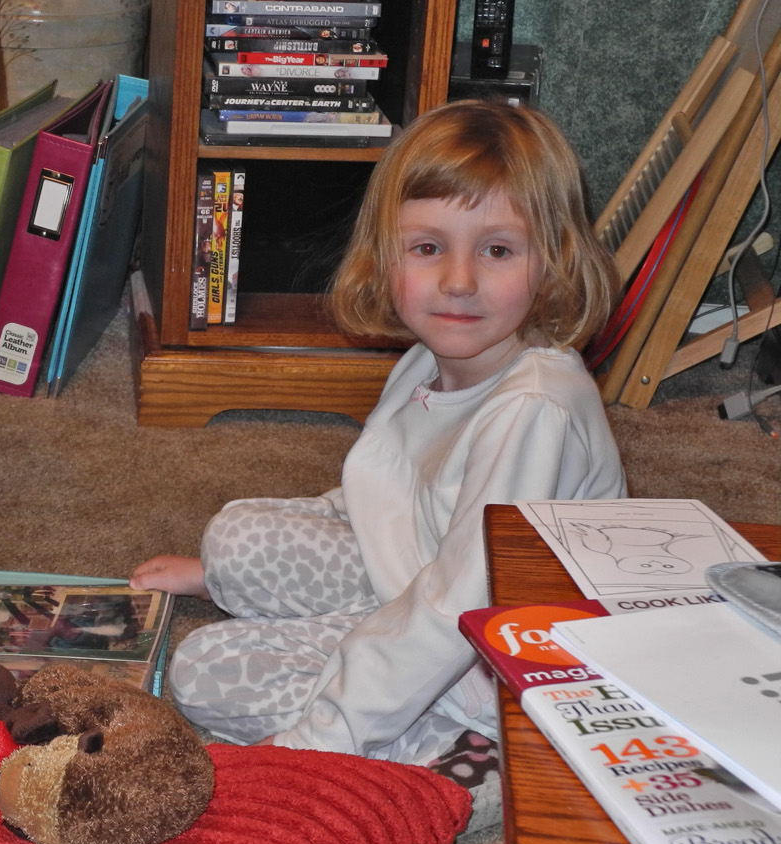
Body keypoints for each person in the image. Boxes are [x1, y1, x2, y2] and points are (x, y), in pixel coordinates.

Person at [130, 100, 626, 786]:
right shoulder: (431, 358)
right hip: (419, 575)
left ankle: (465, 756)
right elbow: (390, 486)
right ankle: (382, 683)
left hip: (491, 662)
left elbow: (459, 603)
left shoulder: (531, 409)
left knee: (205, 671)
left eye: (497, 250)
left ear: (554, 260)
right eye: (428, 248)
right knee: (234, 538)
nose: (459, 281)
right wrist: (224, 572)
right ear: (386, 255)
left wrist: (317, 739)